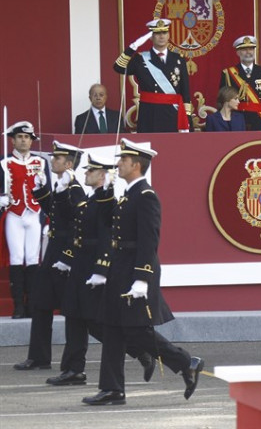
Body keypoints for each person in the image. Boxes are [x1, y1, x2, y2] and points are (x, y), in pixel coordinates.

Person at [82, 139, 203, 405]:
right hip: (120, 266)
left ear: (136, 165)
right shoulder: (127, 195)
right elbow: (107, 222)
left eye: (123, 160)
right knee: (112, 328)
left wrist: (142, 278)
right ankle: (112, 389)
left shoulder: (146, 197)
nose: (118, 164)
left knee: (137, 331)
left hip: (135, 268)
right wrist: (105, 190)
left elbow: (149, 240)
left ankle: (185, 362)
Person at [45, 154, 154, 387]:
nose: (85, 174)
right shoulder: (90, 199)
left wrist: (102, 269)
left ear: (102, 175)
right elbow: (69, 223)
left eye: (90, 171)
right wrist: (61, 193)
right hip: (80, 264)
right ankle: (73, 369)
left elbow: (107, 238)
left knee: (96, 321)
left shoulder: (107, 201)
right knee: (74, 315)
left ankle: (140, 351)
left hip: (94, 267)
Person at [14, 141, 85, 372]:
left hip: (65, 258)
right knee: (40, 304)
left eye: (57, 158)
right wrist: (41, 190)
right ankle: (39, 357)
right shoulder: (61, 185)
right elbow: (54, 212)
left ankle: (135, 349)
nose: (52, 161)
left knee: (82, 316)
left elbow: (77, 225)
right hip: (52, 251)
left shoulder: (74, 189)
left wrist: (67, 257)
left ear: (69, 163)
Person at [0, 122, 46, 320]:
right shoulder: (4, 163)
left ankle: (33, 303)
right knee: (17, 257)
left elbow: (47, 192)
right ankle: (18, 305)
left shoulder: (41, 162)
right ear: (12, 140)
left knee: (33, 258)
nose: (24, 140)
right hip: (14, 214)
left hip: (34, 213)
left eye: (27, 137)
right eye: (20, 137)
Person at [114, 19, 191, 133]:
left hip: (172, 113)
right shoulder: (140, 59)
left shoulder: (178, 59)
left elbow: (185, 90)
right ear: (150, 37)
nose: (161, 36)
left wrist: (187, 115)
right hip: (150, 113)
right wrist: (133, 47)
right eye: (157, 33)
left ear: (168, 35)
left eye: (164, 33)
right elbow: (118, 67)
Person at [220, 35, 261, 130]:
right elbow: (223, 101)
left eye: (251, 49)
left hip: (260, 120)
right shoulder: (228, 73)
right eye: (244, 49)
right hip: (237, 119)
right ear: (238, 52)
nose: (248, 52)